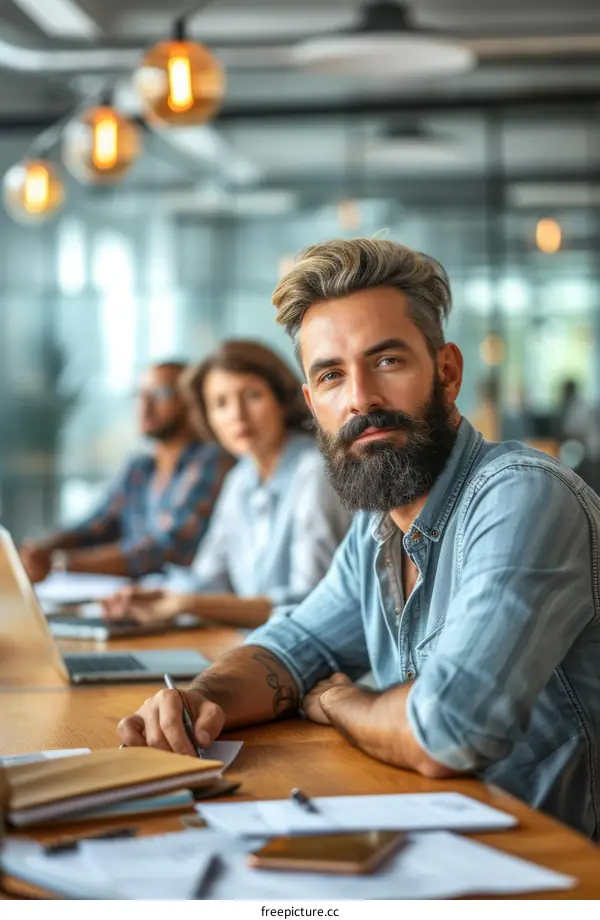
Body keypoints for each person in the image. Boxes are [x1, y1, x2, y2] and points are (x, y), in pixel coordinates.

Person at [117, 239, 600, 839]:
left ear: (447, 373)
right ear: (311, 402)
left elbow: (446, 732)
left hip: (554, 869)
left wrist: (338, 703)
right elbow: (293, 647)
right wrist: (199, 699)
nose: (359, 398)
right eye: (330, 375)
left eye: (388, 361)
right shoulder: (378, 526)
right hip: (435, 841)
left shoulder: (521, 496)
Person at [102, 340, 351, 628]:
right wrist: (155, 596)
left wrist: (189, 604)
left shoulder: (315, 471)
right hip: (257, 643)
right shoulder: (240, 478)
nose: (237, 415)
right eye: (220, 403)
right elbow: (209, 579)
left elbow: (310, 603)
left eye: (252, 395)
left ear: (282, 399)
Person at [20, 361, 233, 581]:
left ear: (191, 402)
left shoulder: (211, 461)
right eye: (139, 394)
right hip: (128, 597)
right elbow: (96, 525)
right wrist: (42, 548)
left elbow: (165, 549)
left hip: (181, 600)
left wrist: (61, 562)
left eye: (160, 393)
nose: (145, 405)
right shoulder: (141, 467)